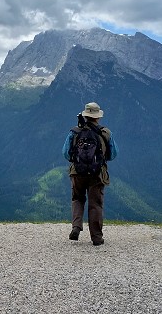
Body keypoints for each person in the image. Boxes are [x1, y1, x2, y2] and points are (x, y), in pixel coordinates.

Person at [62, 102, 118, 246]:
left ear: (85, 115)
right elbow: (113, 155)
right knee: (96, 204)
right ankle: (97, 238)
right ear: (98, 117)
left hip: (77, 172)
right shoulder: (105, 133)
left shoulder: (74, 132)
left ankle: (76, 227)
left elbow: (66, 154)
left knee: (77, 199)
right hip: (97, 174)